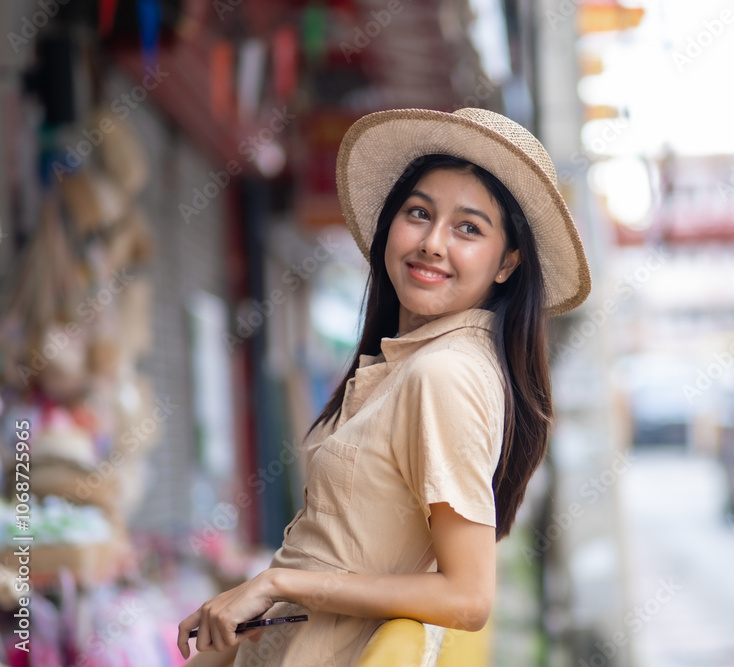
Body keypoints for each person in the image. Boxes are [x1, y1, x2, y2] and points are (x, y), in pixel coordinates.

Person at [177, 107, 591, 666]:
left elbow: (468, 598)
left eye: (469, 228)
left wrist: (280, 583)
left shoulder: (444, 374)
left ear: (507, 263)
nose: (433, 243)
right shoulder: (408, 362)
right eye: (419, 213)